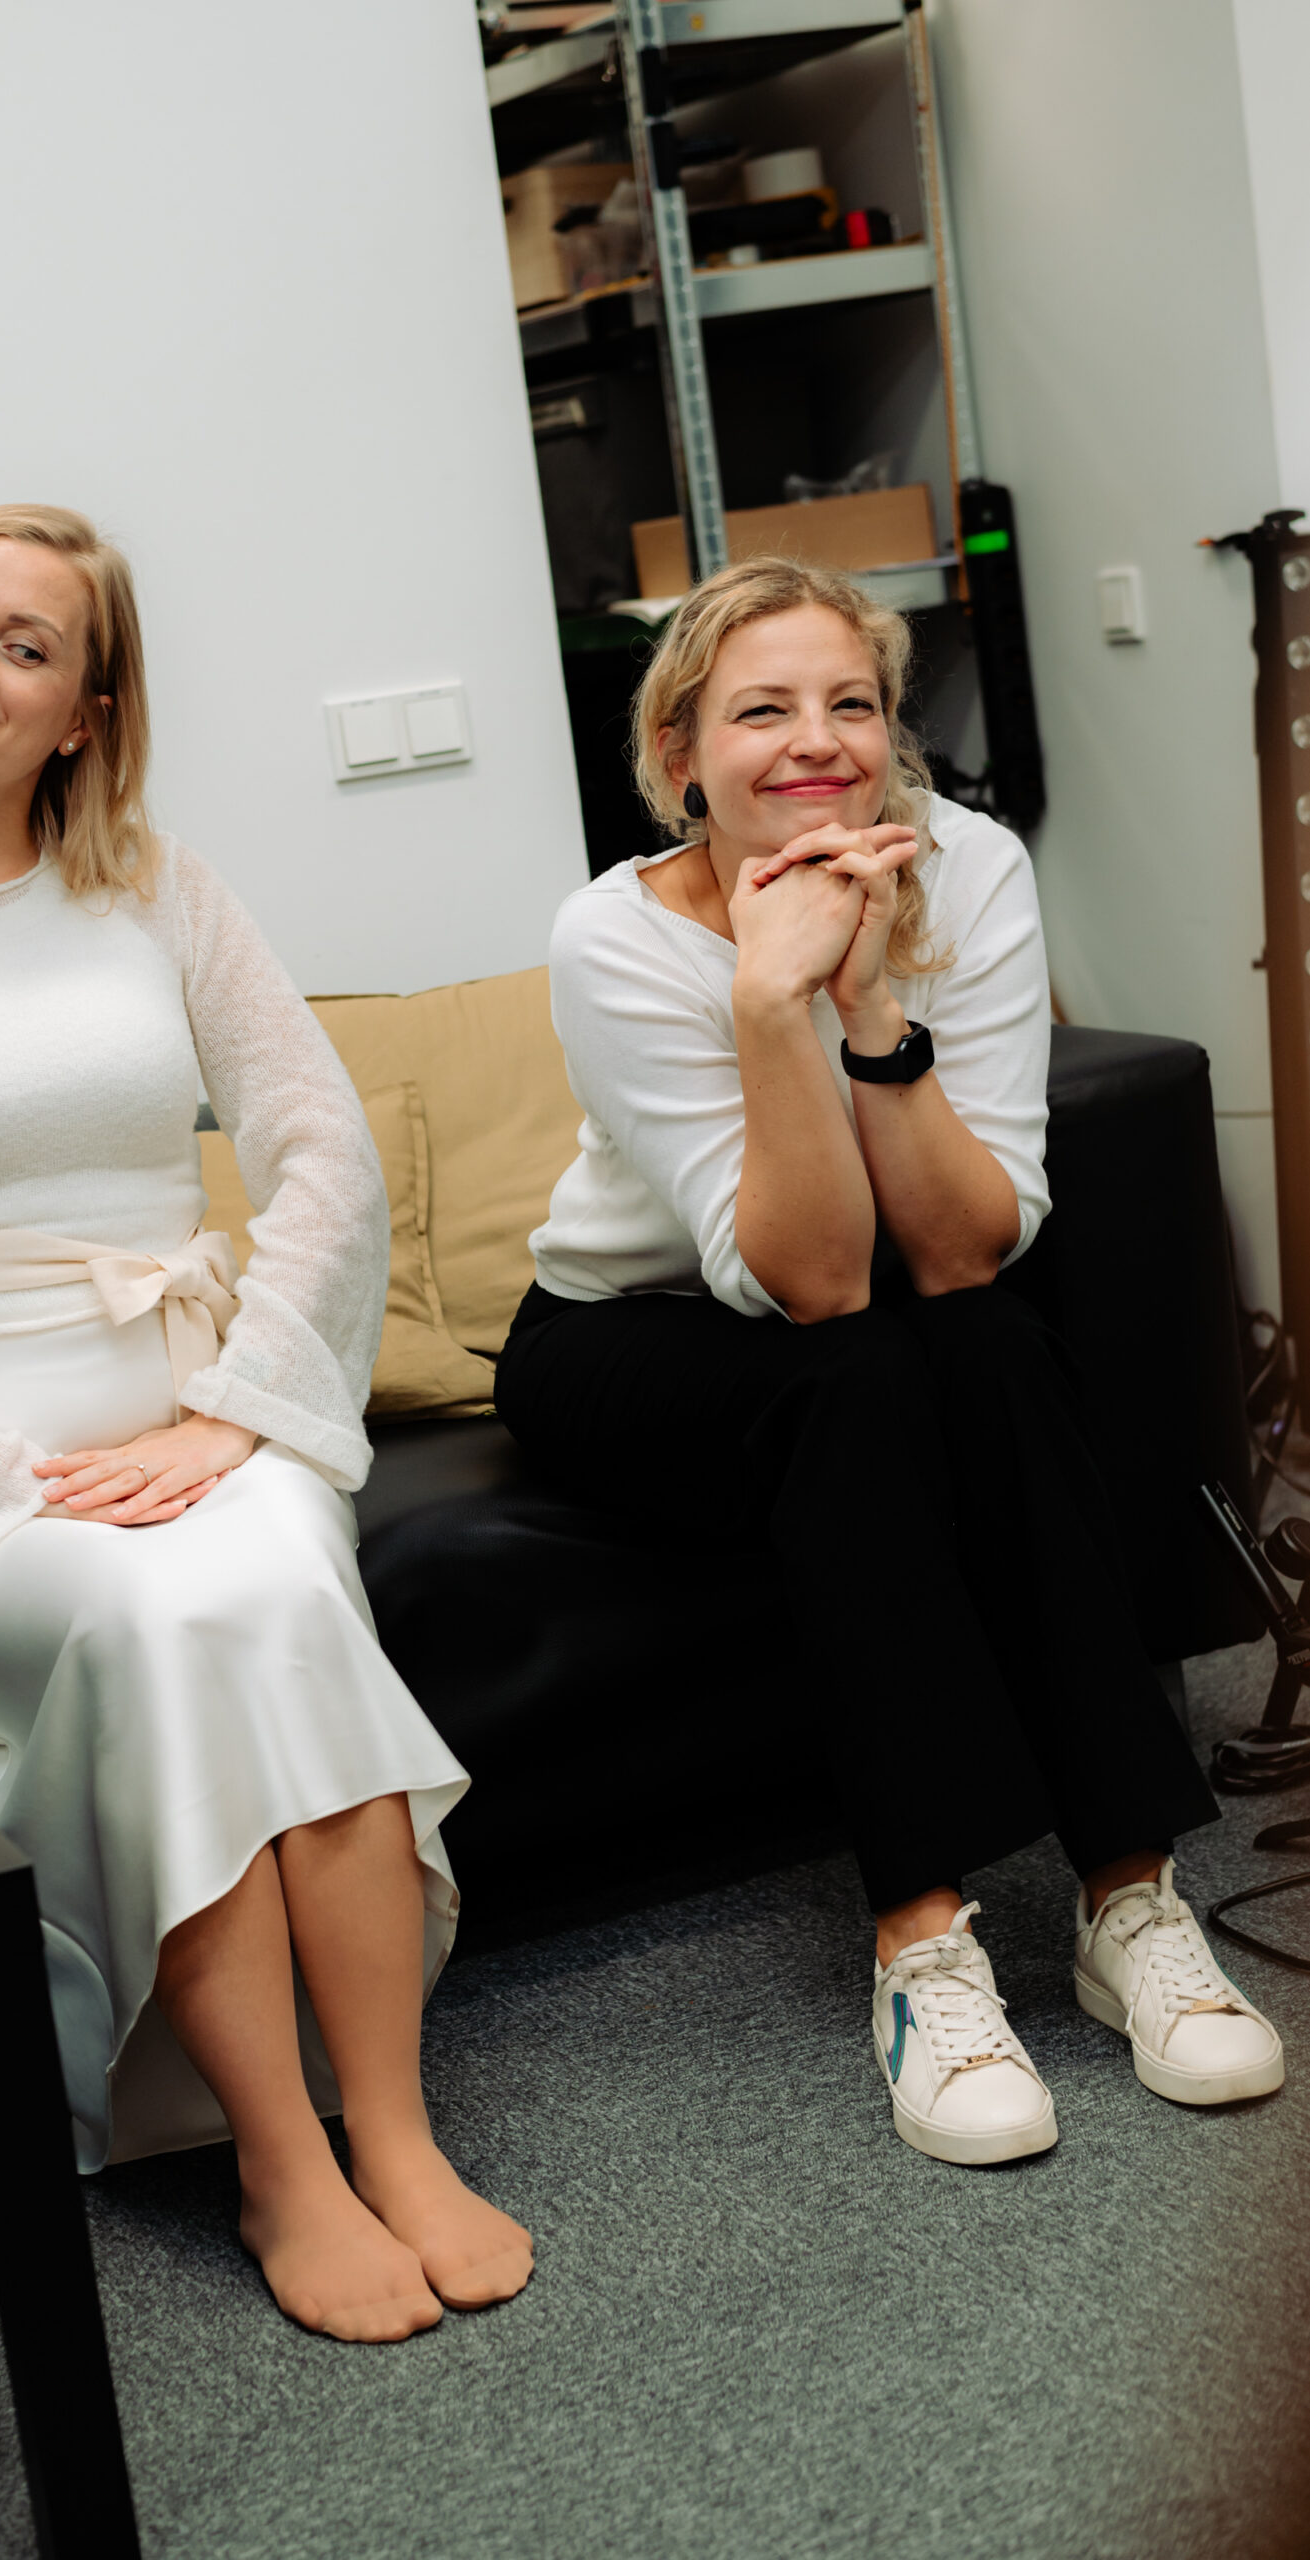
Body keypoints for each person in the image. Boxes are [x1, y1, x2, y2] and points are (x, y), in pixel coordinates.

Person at [0, 502, 532, 2336]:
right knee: (161, 1621)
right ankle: (279, 2163)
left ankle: (391, 2134)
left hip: (196, 1433)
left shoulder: (158, 893)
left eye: (25, 644)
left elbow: (322, 1153)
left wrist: (234, 1413)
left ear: (85, 709)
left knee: (274, 1587)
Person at [493, 554, 1283, 2167]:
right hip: (630, 1334)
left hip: (886, 1303)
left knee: (985, 1344)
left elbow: (962, 1249)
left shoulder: (968, 866)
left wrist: (866, 1008)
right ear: (676, 754)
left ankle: (1128, 1899)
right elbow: (809, 1281)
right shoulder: (611, 936)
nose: (814, 740)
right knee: (855, 1380)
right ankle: (920, 1947)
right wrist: (763, 998)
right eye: (759, 710)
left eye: (848, 703)